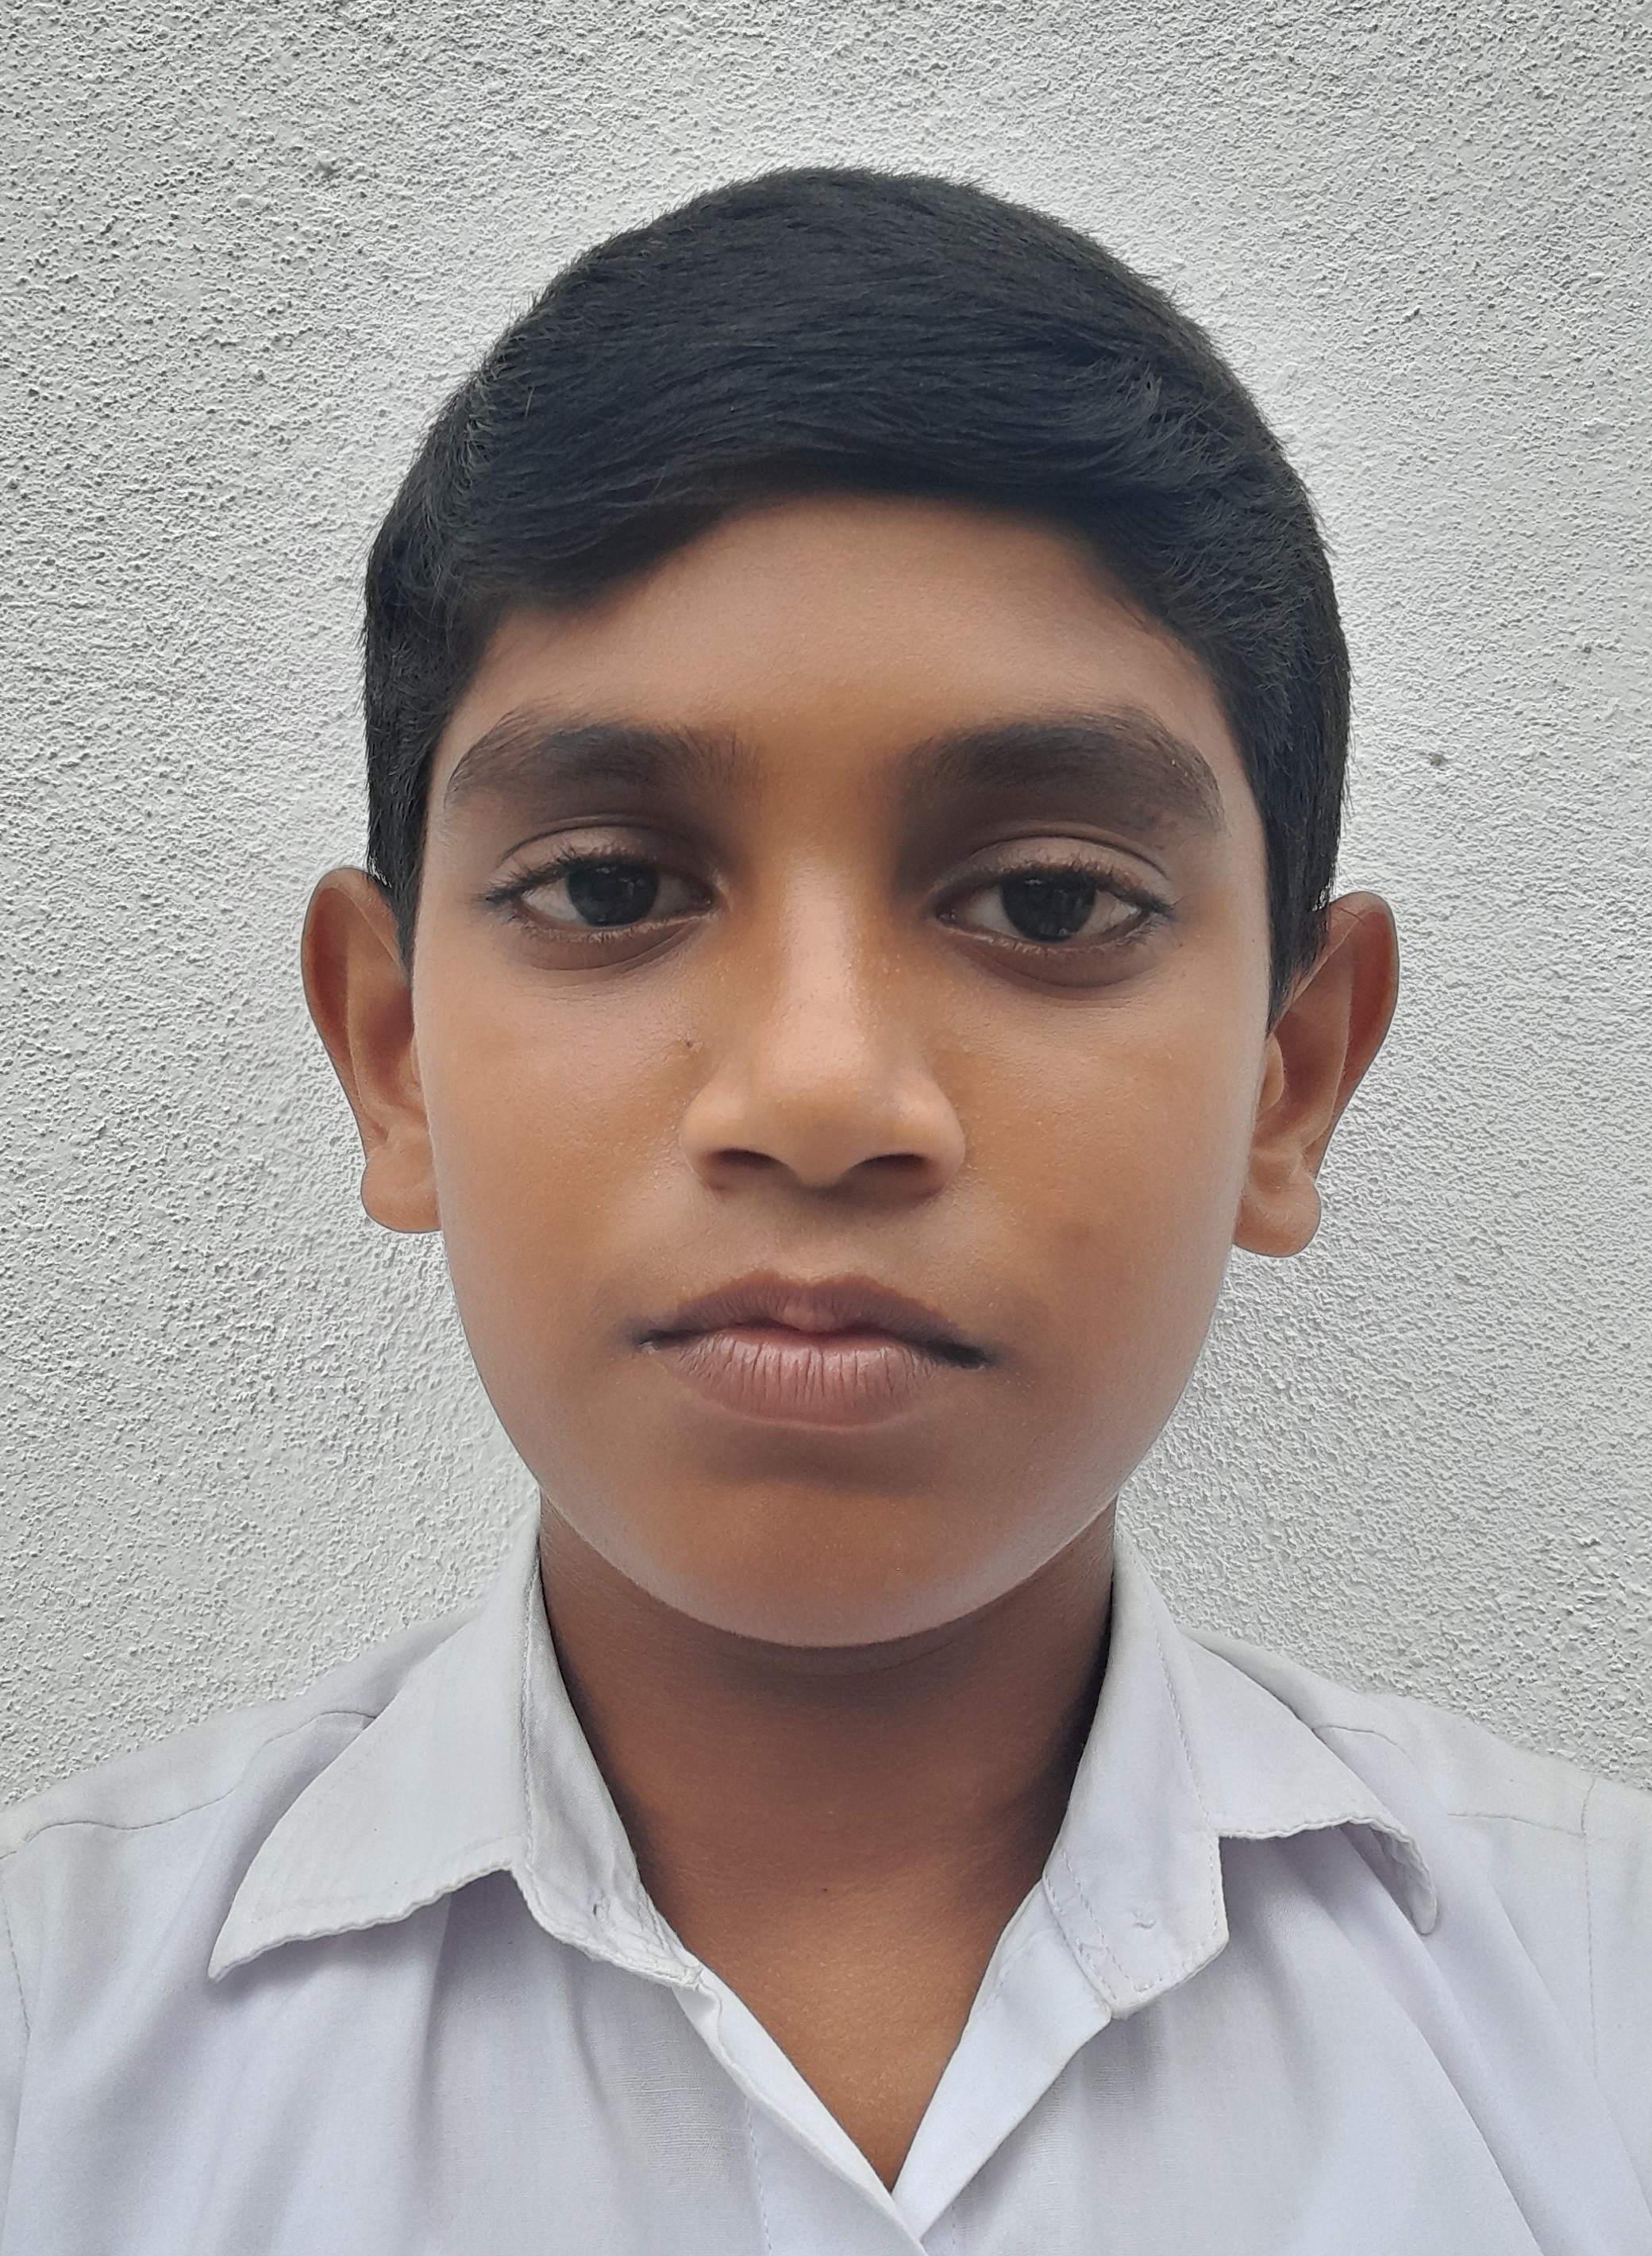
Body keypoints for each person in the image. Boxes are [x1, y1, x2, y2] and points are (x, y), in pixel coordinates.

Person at [1, 167, 1646, 2255]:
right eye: (611, 886)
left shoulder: (1598, 2016)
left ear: (1288, 1077)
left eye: (1043, 902)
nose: (816, 1092)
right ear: (394, 1049)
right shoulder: (56, 2049)